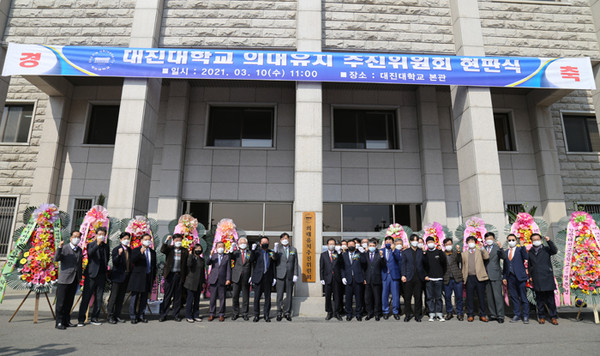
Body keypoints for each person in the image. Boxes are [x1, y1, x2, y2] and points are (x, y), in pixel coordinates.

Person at [77, 226, 110, 326]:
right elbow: (90, 255)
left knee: (99, 298)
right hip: (91, 274)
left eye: (103, 235)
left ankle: (95, 318)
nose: (101, 236)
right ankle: (81, 319)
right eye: (99, 234)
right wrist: (97, 244)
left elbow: (106, 259)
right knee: (86, 297)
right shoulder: (91, 245)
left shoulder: (106, 246)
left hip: (101, 275)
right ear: (96, 235)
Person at [54, 231, 83, 330]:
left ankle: (66, 320)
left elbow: (79, 264)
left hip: (74, 279)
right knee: (61, 302)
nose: (76, 238)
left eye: (78, 237)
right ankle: (59, 322)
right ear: (70, 238)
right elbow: (57, 258)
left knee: (69, 301)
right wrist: (59, 247)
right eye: (75, 236)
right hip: (64, 279)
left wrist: (80, 277)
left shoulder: (79, 249)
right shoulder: (65, 248)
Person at [528, 233, 559, 325]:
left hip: (547, 276)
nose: (536, 241)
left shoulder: (546, 249)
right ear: (532, 241)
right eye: (534, 240)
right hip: (536, 277)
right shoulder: (530, 251)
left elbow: (554, 251)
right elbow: (530, 265)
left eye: (537, 239)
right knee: (539, 299)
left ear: (540, 239)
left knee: (550, 299)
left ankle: (553, 317)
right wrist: (530, 275)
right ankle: (541, 316)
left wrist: (549, 241)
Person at [127, 234, 157, 324]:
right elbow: (132, 260)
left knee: (144, 298)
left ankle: (141, 315)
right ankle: (133, 316)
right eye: (145, 239)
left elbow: (154, 266)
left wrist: (153, 277)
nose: (147, 241)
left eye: (149, 240)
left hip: (148, 277)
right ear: (141, 241)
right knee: (134, 297)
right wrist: (140, 252)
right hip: (137, 277)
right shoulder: (136, 250)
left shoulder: (152, 252)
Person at [159, 234, 189, 322]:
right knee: (167, 296)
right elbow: (162, 250)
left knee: (178, 296)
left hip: (179, 275)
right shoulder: (170, 249)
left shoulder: (184, 251)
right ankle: (163, 314)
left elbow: (186, 265)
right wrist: (166, 240)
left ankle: (176, 315)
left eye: (180, 240)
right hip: (170, 275)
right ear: (173, 241)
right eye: (176, 240)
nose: (178, 242)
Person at [501, 233, 530, 324]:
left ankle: (525, 315)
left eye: (513, 240)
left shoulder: (520, 250)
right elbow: (505, 267)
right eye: (509, 240)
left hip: (520, 277)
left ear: (516, 241)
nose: (511, 242)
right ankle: (517, 314)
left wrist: (523, 247)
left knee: (523, 297)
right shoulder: (506, 252)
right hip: (510, 278)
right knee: (514, 297)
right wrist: (504, 277)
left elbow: (526, 257)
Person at [250, 236, 279, 322]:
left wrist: (276, 251)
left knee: (267, 298)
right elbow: (251, 260)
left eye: (267, 243)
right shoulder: (257, 252)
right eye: (263, 243)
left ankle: (266, 315)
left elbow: (276, 259)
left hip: (268, 277)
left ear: (269, 244)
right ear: (260, 244)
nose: (265, 244)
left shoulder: (270, 252)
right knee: (257, 298)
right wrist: (252, 250)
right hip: (258, 277)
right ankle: (256, 315)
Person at [462, 236, 490, 322]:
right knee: (469, 297)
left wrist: (482, 248)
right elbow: (463, 266)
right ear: (467, 243)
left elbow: (486, 257)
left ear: (475, 242)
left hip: (479, 277)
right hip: (469, 277)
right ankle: (470, 314)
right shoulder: (464, 254)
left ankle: (483, 314)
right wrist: (463, 277)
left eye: (472, 241)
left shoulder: (479, 251)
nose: (471, 242)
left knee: (481, 297)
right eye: (469, 241)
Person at [107, 232, 132, 324]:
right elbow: (115, 262)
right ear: (121, 239)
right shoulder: (117, 249)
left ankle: (117, 315)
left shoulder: (129, 249)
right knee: (114, 297)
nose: (126, 240)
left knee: (121, 297)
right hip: (117, 277)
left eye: (127, 238)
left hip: (126, 276)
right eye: (124, 238)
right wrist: (119, 254)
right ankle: (110, 315)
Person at [401, 234, 426, 322]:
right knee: (407, 297)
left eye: (417, 240)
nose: (415, 242)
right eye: (413, 240)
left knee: (418, 297)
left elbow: (425, 264)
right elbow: (403, 264)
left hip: (419, 277)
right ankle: (408, 314)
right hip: (408, 277)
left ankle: (417, 315)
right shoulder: (405, 252)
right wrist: (403, 275)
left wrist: (425, 253)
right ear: (410, 241)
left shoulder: (421, 252)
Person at [275, 232, 299, 321]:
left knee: (289, 295)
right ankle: (279, 312)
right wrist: (275, 250)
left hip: (290, 275)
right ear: (280, 240)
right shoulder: (278, 249)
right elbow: (274, 259)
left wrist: (296, 274)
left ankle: (287, 312)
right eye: (283, 239)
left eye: (286, 238)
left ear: (289, 239)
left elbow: (296, 262)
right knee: (279, 295)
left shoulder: (293, 249)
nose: (285, 240)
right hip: (280, 274)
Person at [483, 232, 505, 323]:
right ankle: (493, 314)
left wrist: (501, 248)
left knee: (498, 296)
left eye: (491, 238)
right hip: (486, 275)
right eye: (487, 238)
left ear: (494, 239)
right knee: (489, 296)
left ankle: (500, 315)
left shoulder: (497, 248)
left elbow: (504, 257)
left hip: (495, 274)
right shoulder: (483, 248)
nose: (489, 240)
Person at [424, 236, 447, 322]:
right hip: (429, 279)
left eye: (431, 242)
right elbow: (423, 265)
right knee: (430, 297)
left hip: (438, 278)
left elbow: (444, 264)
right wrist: (425, 275)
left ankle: (439, 313)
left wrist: (442, 274)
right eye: (428, 242)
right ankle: (432, 314)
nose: (430, 243)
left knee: (438, 297)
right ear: (426, 244)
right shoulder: (425, 253)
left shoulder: (439, 252)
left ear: (434, 243)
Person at [341, 239, 365, 321]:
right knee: (348, 298)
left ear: (355, 246)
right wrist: (343, 277)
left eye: (353, 245)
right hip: (348, 279)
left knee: (359, 298)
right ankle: (349, 314)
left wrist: (362, 253)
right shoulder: (344, 255)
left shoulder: (359, 254)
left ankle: (358, 314)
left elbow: (364, 263)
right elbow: (342, 267)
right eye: (349, 245)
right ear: (347, 246)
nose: (351, 246)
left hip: (357, 279)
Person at [207, 241, 231, 322]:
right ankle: (211, 314)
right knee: (212, 298)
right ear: (216, 248)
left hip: (222, 280)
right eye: (219, 246)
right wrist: (210, 255)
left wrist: (228, 279)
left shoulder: (227, 257)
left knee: (222, 298)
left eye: (222, 246)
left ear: (224, 248)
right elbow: (208, 263)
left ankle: (221, 314)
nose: (220, 248)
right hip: (214, 279)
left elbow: (228, 269)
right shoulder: (213, 256)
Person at [320, 238, 343, 321]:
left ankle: (337, 312)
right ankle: (329, 312)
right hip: (327, 278)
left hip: (336, 278)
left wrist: (340, 253)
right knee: (328, 296)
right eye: (330, 244)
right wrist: (321, 278)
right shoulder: (323, 255)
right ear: (327, 245)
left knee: (337, 296)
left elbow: (341, 264)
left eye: (333, 244)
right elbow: (321, 267)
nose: (331, 245)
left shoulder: (338, 254)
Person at [230, 237, 252, 321]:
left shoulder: (250, 253)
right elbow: (230, 257)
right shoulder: (236, 253)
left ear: (246, 244)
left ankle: (245, 313)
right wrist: (231, 249)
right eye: (241, 243)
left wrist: (251, 276)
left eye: (244, 243)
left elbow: (252, 264)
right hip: (236, 277)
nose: (243, 244)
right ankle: (235, 313)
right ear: (238, 245)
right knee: (235, 295)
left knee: (245, 296)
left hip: (246, 277)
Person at [363, 239, 386, 321]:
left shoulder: (379, 254)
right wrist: (364, 252)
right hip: (368, 279)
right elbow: (362, 265)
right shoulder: (365, 255)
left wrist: (382, 256)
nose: (372, 247)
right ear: (368, 246)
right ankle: (369, 313)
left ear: (376, 246)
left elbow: (384, 265)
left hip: (377, 279)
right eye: (370, 246)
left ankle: (377, 313)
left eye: (373, 246)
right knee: (368, 298)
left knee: (377, 298)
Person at [381, 236, 402, 320]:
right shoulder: (381, 251)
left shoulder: (397, 251)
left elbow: (399, 259)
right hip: (385, 275)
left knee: (395, 295)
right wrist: (381, 257)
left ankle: (395, 312)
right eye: (387, 242)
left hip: (394, 276)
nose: (388, 243)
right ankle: (385, 311)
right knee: (384, 295)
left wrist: (394, 250)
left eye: (390, 242)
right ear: (385, 243)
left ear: (393, 243)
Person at [443, 238, 464, 321]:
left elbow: (460, 260)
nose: (449, 246)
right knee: (447, 297)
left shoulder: (456, 253)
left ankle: (459, 313)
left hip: (457, 278)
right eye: (447, 244)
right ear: (444, 245)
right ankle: (449, 312)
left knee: (459, 297)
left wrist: (459, 251)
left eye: (450, 244)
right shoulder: (442, 254)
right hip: (447, 278)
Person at [184, 243, 206, 323]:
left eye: (199, 249)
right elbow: (189, 265)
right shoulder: (191, 258)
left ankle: (196, 315)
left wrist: (203, 281)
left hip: (199, 282)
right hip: (191, 282)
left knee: (197, 300)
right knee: (190, 300)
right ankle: (188, 316)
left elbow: (203, 272)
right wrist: (190, 255)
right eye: (196, 249)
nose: (198, 250)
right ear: (193, 250)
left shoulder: (202, 259)